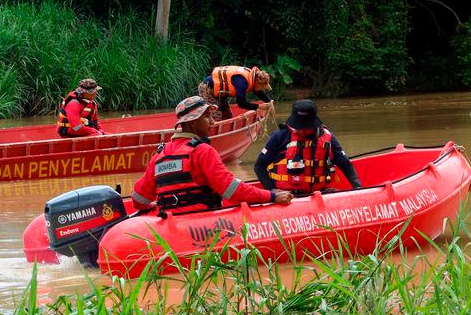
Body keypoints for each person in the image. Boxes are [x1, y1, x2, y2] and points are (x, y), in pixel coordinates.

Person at [132, 96, 293, 213]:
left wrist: (150, 207)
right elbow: (232, 191)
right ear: (192, 122)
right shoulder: (202, 151)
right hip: (201, 224)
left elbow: (139, 200)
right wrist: (271, 196)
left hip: (170, 224)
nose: (212, 121)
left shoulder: (159, 156)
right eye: (206, 116)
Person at [254, 100, 362, 195]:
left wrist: (358, 188)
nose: (301, 131)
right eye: (297, 127)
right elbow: (259, 166)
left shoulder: (328, 138)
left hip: (320, 193)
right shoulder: (280, 136)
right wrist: (272, 191)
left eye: (305, 128)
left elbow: (345, 164)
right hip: (288, 196)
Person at [198, 65, 274, 122]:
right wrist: (259, 106)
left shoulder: (251, 79)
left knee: (227, 115)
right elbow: (241, 104)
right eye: (262, 86)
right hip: (207, 88)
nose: (262, 89)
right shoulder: (242, 83)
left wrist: (269, 102)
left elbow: (258, 92)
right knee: (216, 116)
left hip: (221, 93)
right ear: (257, 81)